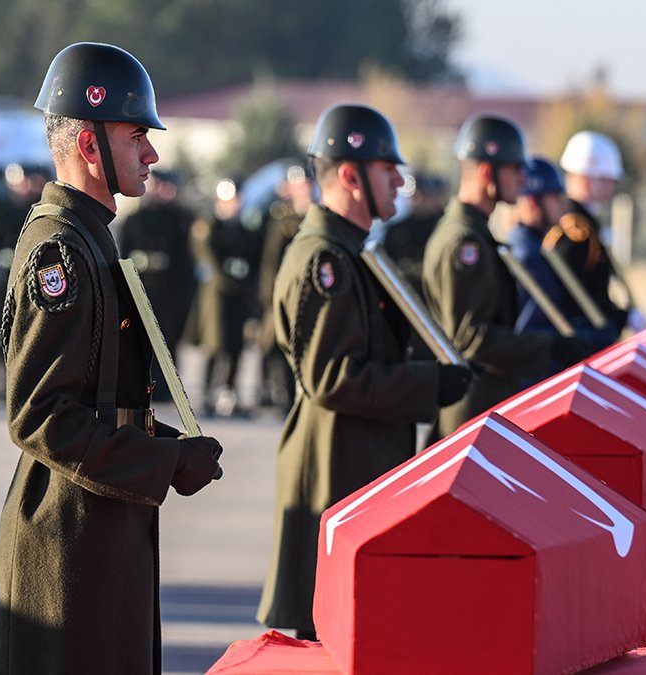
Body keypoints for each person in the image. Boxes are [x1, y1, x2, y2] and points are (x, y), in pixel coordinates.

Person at [0, 42, 224, 675]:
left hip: (98, 539)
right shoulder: (60, 252)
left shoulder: (89, 238)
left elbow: (100, 398)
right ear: (89, 146)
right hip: (68, 549)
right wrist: (167, 460)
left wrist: (167, 443)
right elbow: (39, 416)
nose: (151, 152)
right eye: (136, 134)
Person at [256, 103, 471, 641]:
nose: (400, 178)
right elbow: (332, 378)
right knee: (324, 638)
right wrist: (429, 385)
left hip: (355, 463)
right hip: (333, 467)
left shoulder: (350, 252)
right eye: (386, 168)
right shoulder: (323, 260)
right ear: (351, 175)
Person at [423, 114, 587, 438]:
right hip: (471, 414)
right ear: (487, 172)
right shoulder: (464, 242)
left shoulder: (476, 234)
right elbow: (471, 338)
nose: (523, 178)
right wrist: (550, 347)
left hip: (484, 407)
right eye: (514, 169)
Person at [116, 169, 198, 402]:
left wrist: (184, 296)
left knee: (168, 341)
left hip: (169, 293)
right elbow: (124, 257)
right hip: (141, 290)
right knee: (139, 342)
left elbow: (186, 263)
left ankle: (165, 388)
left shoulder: (181, 220)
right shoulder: (134, 221)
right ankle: (139, 386)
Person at [547, 129, 635, 349]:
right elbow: (576, 294)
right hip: (580, 337)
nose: (612, 186)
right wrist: (620, 318)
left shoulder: (585, 221)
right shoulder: (577, 227)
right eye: (607, 179)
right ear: (589, 180)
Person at [189, 177, 264, 418]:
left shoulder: (244, 230)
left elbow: (253, 262)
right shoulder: (208, 227)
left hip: (239, 298)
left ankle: (229, 393)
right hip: (217, 298)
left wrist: (248, 289)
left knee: (235, 347)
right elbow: (210, 263)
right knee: (214, 345)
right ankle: (208, 395)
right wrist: (235, 284)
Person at [256, 159, 314, 415]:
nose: (303, 189)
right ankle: (280, 395)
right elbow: (270, 260)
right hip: (283, 294)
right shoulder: (281, 218)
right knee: (275, 345)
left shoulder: (315, 215)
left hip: (309, 295)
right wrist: (269, 297)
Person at [0, 163, 48, 398]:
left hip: (30, 284)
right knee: (2, 334)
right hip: (3, 284)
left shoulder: (39, 213)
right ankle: (5, 381)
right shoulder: (1, 213)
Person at [509, 156, 569, 337]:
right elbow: (530, 329)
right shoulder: (527, 253)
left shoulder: (533, 244)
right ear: (534, 202)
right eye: (556, 197)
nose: (563, 205)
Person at [383, 171, 448, 296]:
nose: (418, 199)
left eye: (423, 194)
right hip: (405, 296)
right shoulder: (397, 230)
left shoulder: (443, 227)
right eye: (415, 194)